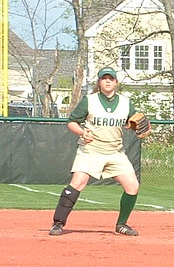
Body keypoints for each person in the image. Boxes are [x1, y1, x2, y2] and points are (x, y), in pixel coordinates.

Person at [48, 67, 143, 237]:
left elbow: (136, 122)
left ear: (116, 82)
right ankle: (58, 223)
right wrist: (82, 132)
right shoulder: (89, 100)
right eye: (104, 78)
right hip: (91, 150)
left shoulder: (125, 102)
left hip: (115, 151)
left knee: (132, 186)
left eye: (111, 79)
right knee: (78, 183)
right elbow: (72, 122)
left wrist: (137, 125)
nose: (107, 81)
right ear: (99, 82)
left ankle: (121, 224)